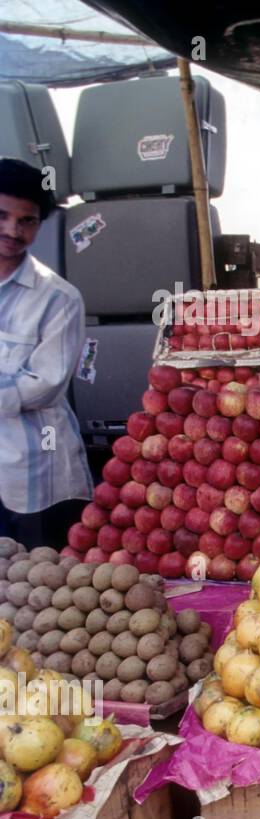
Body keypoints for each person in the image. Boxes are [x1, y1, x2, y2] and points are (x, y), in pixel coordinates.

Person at [0, 158, 93, 549]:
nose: (12, 231)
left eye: (27, 221)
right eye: (2, 216)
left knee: (42, 593)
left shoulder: (59, 299)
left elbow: (46, 384)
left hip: (37, 480)